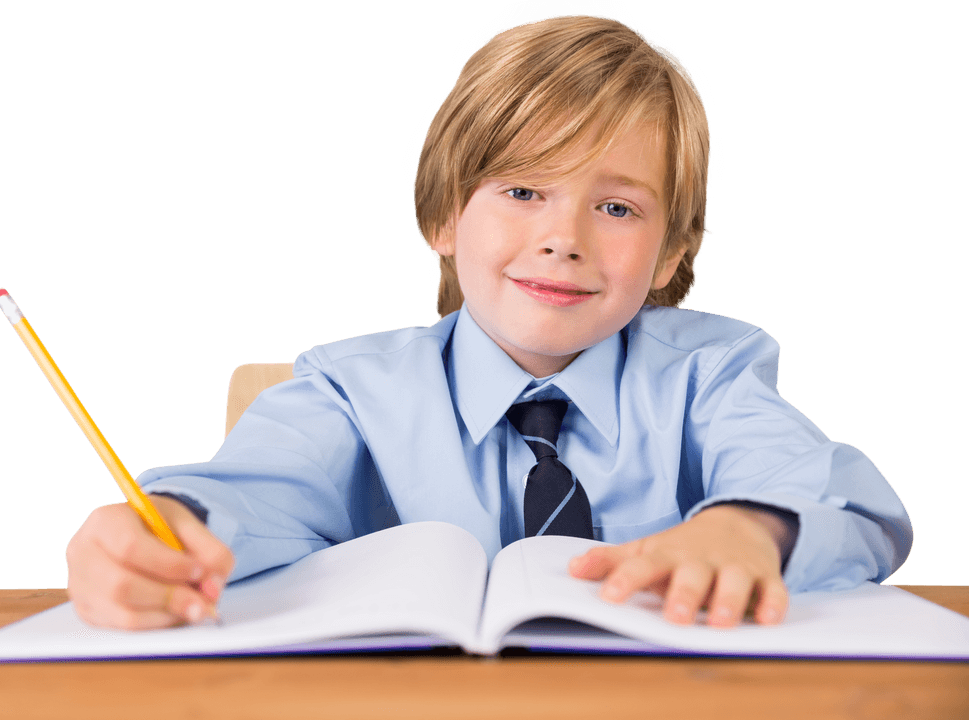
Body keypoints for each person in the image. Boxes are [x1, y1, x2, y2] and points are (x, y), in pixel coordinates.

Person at [64, 14, 912, 632]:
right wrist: (168, 529)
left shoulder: (711, 371)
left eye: (617, 206)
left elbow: (851, 506)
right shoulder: (347, 387)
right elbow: (250, 494)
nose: (564, 239)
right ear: (443, 218)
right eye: (522, 190)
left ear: (667, 254)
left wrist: (749, 529)